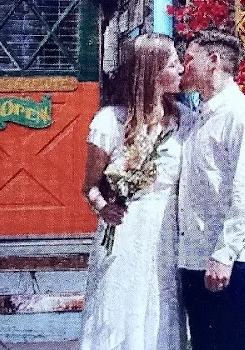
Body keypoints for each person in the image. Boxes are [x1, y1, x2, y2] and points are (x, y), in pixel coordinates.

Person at [80, 32, 187, 350]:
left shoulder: (185, 121)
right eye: (173, 63)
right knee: (120, 307)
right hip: (125, 231)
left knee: (160, 304)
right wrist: (103, 207)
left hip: (166, 230)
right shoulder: (109, 121)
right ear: (152, 72)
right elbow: (89, 187)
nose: (181, 69)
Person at [177, 29, 245, 350]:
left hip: (232, 265)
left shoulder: (243, 118)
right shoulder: (196, 119)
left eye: (190, 59)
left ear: (213, 61)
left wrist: (223, 256)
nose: (183, 66)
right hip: (195, 261)